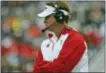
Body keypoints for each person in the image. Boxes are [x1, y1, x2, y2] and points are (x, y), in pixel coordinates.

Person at [33, 1, 88, 72]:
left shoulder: (76, 39)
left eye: (47, 17)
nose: (44, 21)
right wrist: (51, 66)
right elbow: (36, 70)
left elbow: (61, 69)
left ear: (60, 17)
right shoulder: (45, 43)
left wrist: (43, 67)